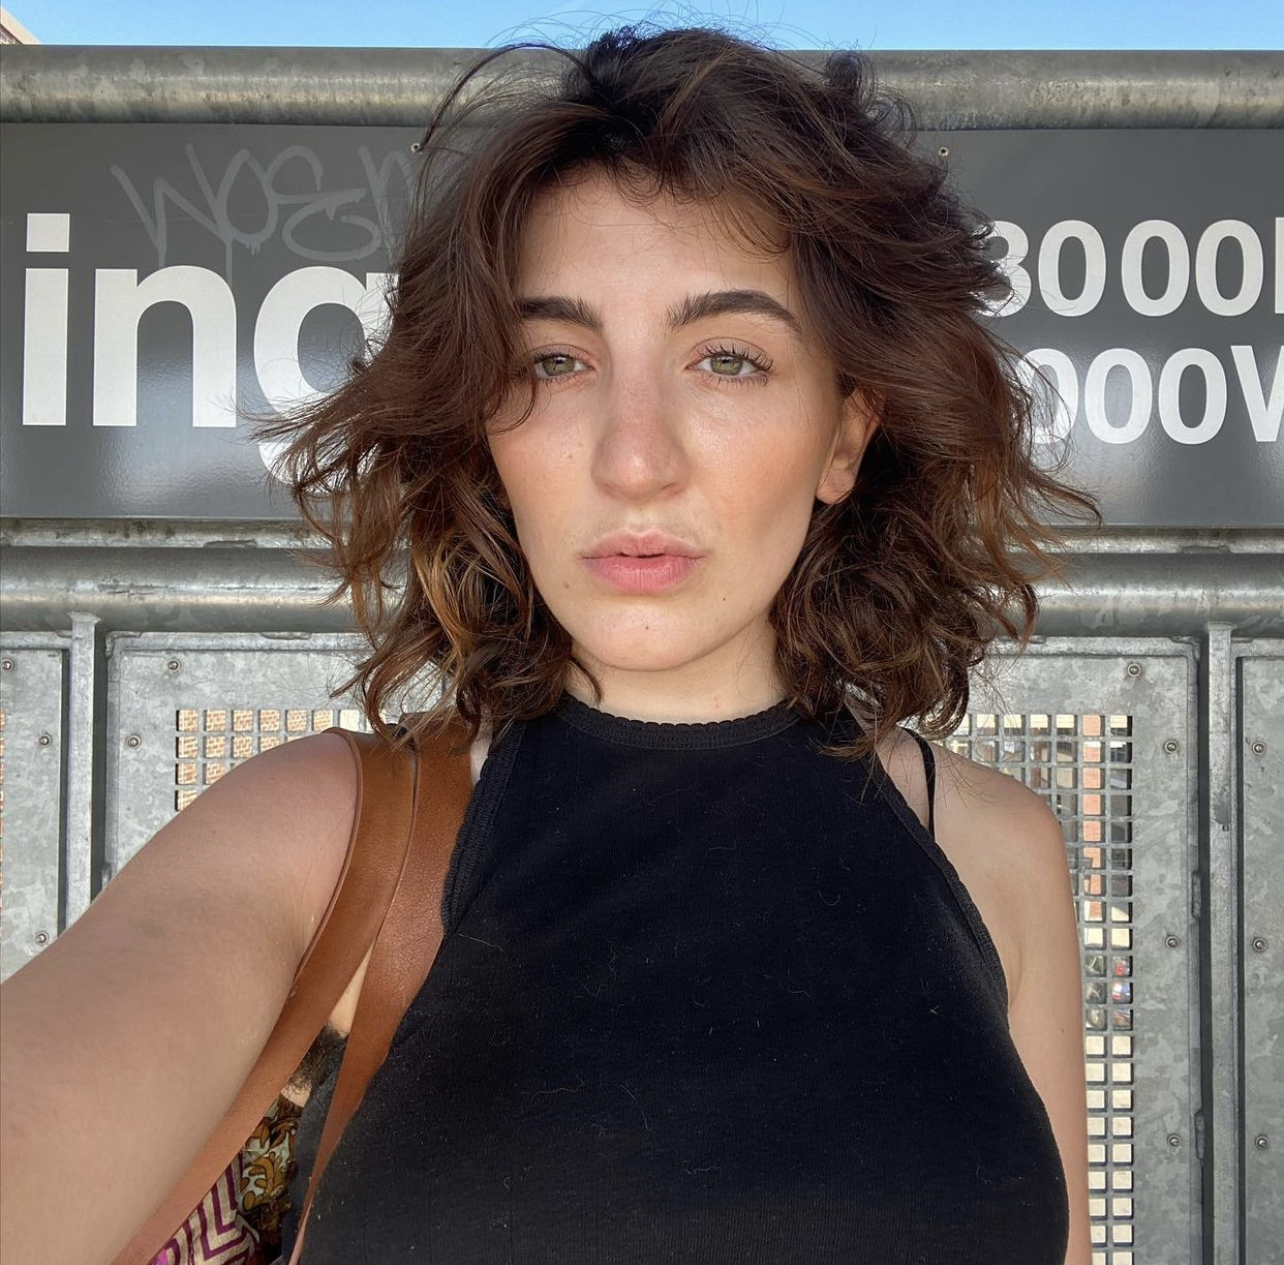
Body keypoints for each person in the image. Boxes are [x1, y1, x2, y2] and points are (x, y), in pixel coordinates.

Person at [0, 23, 1101, 1265]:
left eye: (726, 358)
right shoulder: (324, 840)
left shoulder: (994, 853)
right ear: (486, 425)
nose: (634, 458)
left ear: (844, 436)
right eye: (558, 360)